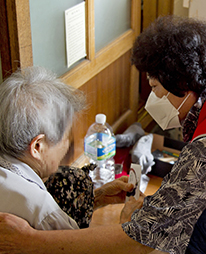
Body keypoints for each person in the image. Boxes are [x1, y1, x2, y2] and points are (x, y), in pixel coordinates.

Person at [0, 15, 206, 254]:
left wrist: (31, 242)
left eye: (157, 89)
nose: (153, 99)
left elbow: (141, 241)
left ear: (183, 84)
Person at [0, 66, 135, 230]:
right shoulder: (43, 212)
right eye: (65, 137)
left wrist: (97, 197)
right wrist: (128, 226)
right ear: (38, 146)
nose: (67, 144)